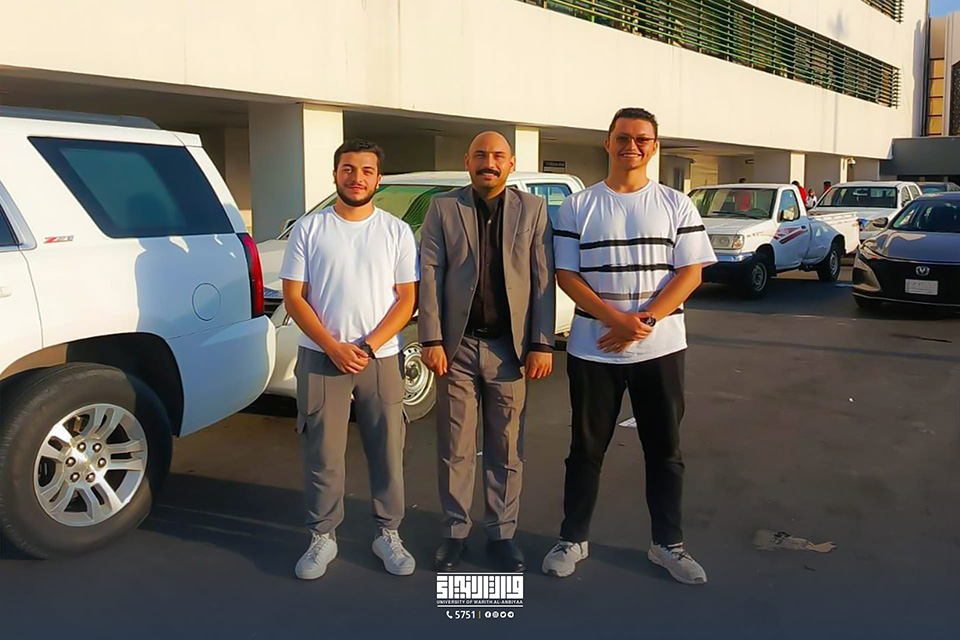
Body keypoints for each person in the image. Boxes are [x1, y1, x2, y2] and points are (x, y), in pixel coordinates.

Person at [542, 107, 716, 585]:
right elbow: (567, 275)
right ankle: (572, 539)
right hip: (592, 349)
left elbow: (691, 272)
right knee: (585, 449)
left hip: (661, 350)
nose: (631, 146)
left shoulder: (676, 204)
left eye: (642, 139)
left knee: (665, 451)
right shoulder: (578, 206)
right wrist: (615, 320)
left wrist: (643, 321)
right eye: (623, 137)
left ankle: (668, 545)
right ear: (608, 142)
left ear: (654, 146)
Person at [280, 139, 419, 580]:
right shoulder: (309, 229)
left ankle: (388, 532)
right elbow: (294, 297)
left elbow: (407, 300)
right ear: (335, 174)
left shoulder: (396, 231)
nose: (357, 178)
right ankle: (322, 535)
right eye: (348, 169)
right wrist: (333, 346)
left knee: (387, 449)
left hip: (380, 357)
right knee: (323, 452)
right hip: (322, 356)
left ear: (378, 179)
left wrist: (368, 345)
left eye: (366, 170)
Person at [419, 131, 555, 573]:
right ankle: (455, 533)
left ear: (511, 164)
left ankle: (501, 534)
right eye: (480, 155)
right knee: (455, 445)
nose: (489, 163)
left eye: (498, 156)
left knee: (506, 447)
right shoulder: (443, 208)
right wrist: (431, 338)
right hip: (456, 347)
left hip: (509, 350)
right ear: (467, 161)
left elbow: (543, 279)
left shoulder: (532, 209)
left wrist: (541, 342)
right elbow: (430, 272)